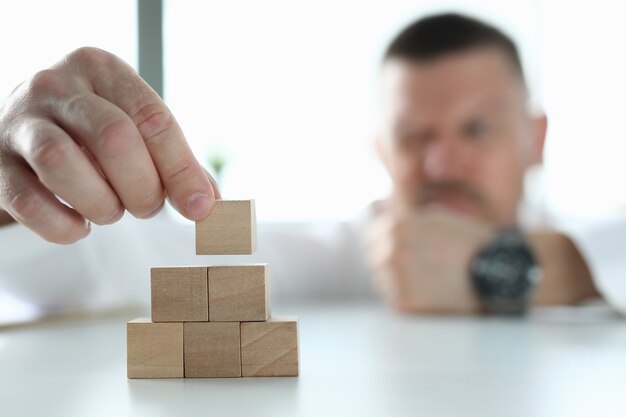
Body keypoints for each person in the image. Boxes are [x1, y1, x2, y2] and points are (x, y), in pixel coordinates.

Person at [0, 13, 624, 318]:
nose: (441, 161)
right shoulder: (332, 257)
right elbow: (114, 267)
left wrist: (537, 267)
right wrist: (22, 189)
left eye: (477, 129)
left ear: (537, 138)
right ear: (380, 151)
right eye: (412, 136)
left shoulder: (598, 249)